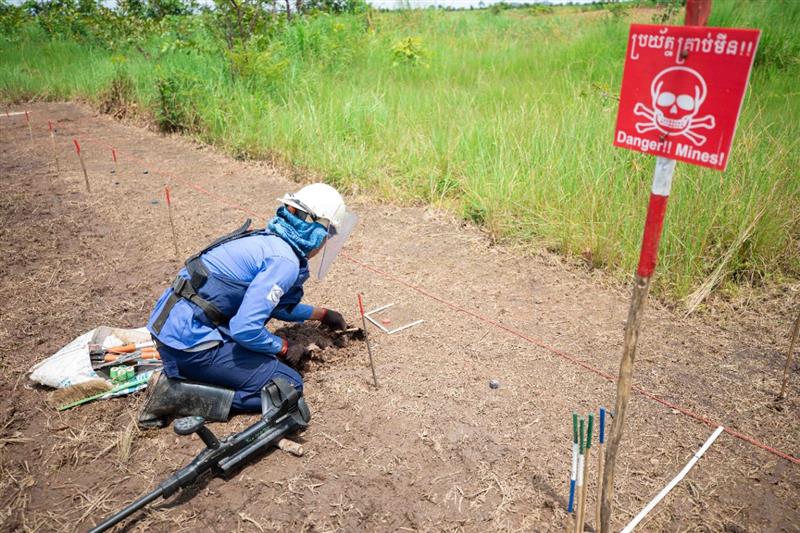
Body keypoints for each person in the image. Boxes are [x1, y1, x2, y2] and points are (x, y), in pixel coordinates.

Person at [138, 183, 357, 428]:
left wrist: (322, 314)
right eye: (327, 234)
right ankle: (176, 394)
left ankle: (187, 376)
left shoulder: (269, 241)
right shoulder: (284, 261)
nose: (325, 242)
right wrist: (283, 347)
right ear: (314, 229)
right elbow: (245, 329)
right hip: (188, 344)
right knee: (286, 385)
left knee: (258, 359)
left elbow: (277, 307)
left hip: (173, 328)